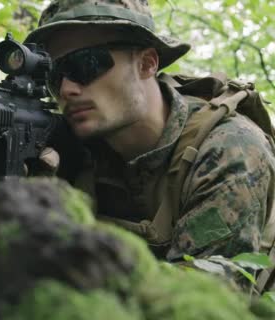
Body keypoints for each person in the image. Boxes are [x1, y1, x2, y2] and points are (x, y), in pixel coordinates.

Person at [26, 0, 275, 283]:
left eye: (86, 65)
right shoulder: (69, 147)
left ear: (146, 63)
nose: (66, 89)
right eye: (54, 75)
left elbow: (199, 304)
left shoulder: (231, 150)